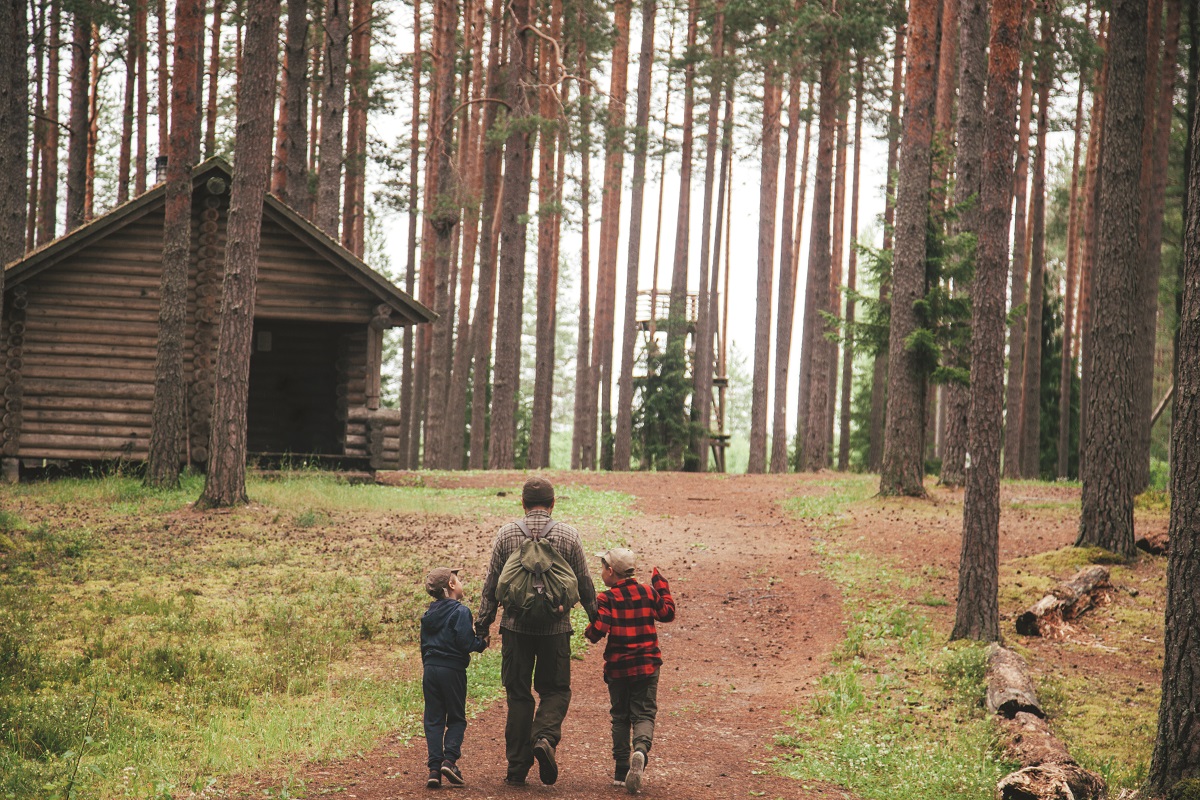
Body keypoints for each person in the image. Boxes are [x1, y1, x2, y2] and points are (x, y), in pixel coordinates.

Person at [475, 476, 598, 786]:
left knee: (518, 695)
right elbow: (583, 582)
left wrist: (483, 625)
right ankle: (544, 738)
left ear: (523, 504)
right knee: (555, 690)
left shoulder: (506, 535)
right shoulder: (569, 536)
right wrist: (597, 618)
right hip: (555, 628)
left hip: (515, 627)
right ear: (552, 504)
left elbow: (491, 585)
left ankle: (517, 769)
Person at [584, 548, 675, 795]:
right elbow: (667, 613)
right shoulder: (648, 591)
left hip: (618, 667)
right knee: (644, 713)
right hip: (647, 665)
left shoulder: (607, 598)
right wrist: (660, 585)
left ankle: (620, 770)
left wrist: (588, 631)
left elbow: (598, 630)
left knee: (620, 716)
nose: (601, 572)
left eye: (603, 567)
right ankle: (641, 752)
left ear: (611, 572)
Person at [421, 566, 488, 789]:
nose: (460, 583)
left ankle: (433, 770)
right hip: (452, 670)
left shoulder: (428, 615)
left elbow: (423, 646)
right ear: (451, 586)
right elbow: (465, 643)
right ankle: (449, 760)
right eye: (457, 580)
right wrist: (482, 643)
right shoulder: (460, 611)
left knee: (433, 719)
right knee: (457, 718)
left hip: (430, 670)